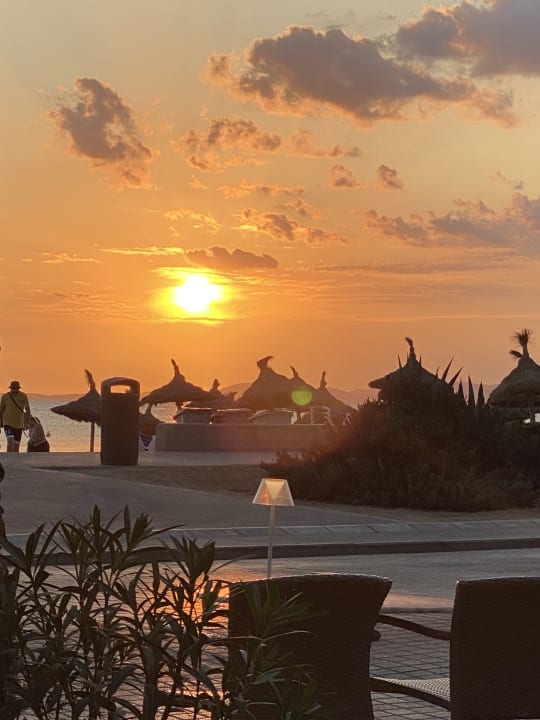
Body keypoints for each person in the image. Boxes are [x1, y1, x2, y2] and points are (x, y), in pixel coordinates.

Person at [0, 380, 31, 452]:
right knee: (10, 440)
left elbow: (28, 410)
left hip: (19, 424)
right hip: (7, 423)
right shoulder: (5, 396)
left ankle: (15, 458)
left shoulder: (23, 396)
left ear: (18, 388)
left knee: (16, 444)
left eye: (16, 388)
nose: (14, 390)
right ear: (10, 388)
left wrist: (27, 423)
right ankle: (9, 457)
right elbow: (1, 410)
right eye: (13, 388)